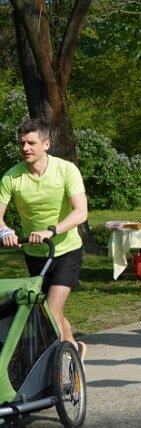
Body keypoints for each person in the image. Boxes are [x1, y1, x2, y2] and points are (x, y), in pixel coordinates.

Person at [0, 118, 89, 360]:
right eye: (21, 144)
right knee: (49, 309)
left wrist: (52, 230)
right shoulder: (12, 177)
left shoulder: (66, 170)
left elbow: (81, 212)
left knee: (50, 311)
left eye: (31, 143)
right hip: (36, 254)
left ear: (46, 144)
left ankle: (56, 366)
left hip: (66, 251)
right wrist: (4, 231)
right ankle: (74, 348)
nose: (25, 148)